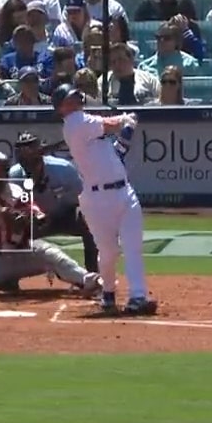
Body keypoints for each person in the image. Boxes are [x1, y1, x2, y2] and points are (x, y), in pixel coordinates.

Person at [54, 85, 157, 316]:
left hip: (124, 192)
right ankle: (108, 292)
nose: (75, 101)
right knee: (108, 251)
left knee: (133, 246)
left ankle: (138, 297)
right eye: (69, 100)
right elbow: (110, 124)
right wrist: (126, 119)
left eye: (75, 97)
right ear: (60, 108)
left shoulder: (88, 127)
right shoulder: (75, 122)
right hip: (97, 198)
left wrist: (127, 130)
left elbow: (117, 153)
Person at [0, 150, 100, 298]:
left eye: (0, 170)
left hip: (24, 254)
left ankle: (88, 281)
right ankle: (1, 280)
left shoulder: (17, 193)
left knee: (53, 255)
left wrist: (20, 219)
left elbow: (35, 215)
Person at [8, 132, 99, 275]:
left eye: (30, 150)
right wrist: (26, 216)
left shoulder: (64, 169)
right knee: (10, 225)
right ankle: (10, 276)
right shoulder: (14, 176)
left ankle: (93, 274)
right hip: (34, 221)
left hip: (65, 216)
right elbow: (13, 206)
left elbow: (86, 197)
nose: (27, 156)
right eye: (22, 151)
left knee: (89, 217)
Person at [100, 42, 158, 106]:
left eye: (120, 59)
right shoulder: (103, 81)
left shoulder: (149, 80)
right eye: (113, 62)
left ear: (131, 60)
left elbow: (160, 100)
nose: (117, 64)